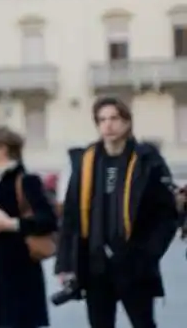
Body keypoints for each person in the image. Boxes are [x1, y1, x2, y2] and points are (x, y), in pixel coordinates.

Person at [55, 96, 178, 328]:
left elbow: (167, 215)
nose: (108, 125)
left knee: (143, 323)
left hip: (133, 263)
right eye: (102, 120)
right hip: (94, 265)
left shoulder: (146, 160)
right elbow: (70, 216)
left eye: (114, 118)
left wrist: (148, 254)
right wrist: (65, 264)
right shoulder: (86, 160)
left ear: (127, 122)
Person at [0, 126, 58, 328]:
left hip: (20, 276)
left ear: (3, 149)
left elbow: (48, 220)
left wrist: (11, 224)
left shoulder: (27, 181)